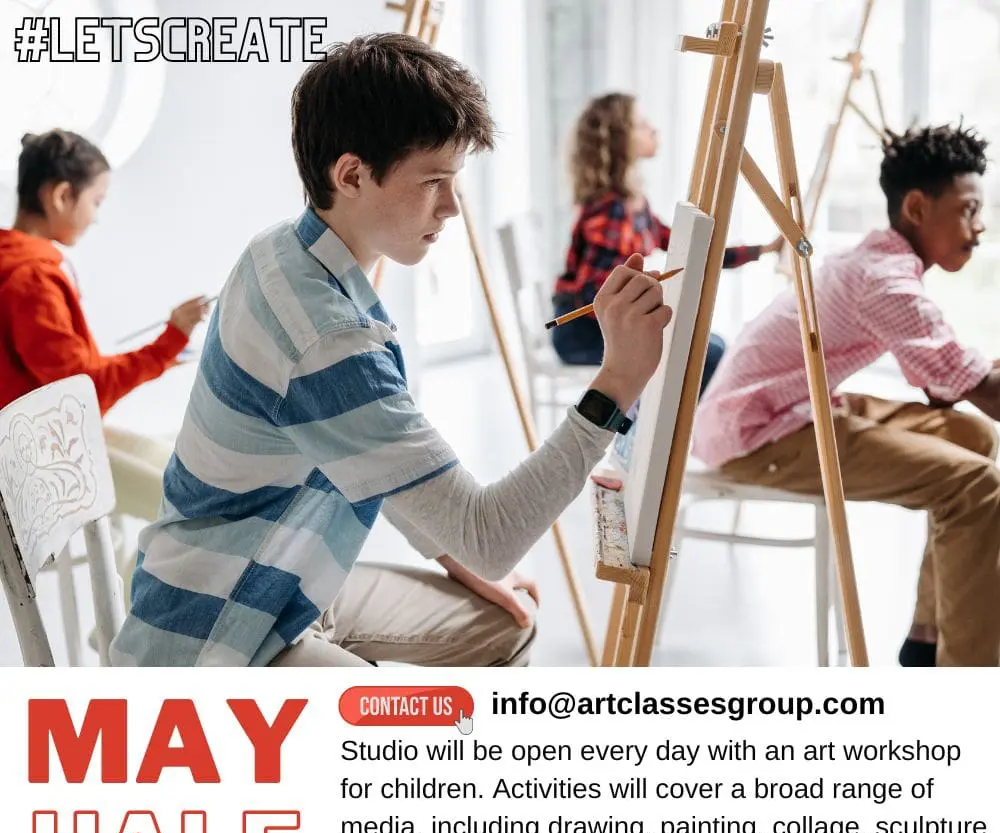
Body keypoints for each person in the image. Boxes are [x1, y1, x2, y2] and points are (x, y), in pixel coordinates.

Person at [109, 34, 673, 668]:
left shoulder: (281, 251)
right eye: (434, 181)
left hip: (279, 574)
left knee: (501, 624)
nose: (452, 207)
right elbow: (490, 537)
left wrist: (452, 556)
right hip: (219, 632)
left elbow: (371, 461)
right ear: (351, 174)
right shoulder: (326, 336)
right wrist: (619, 379)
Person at [692, 122, 1000, 668]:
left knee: (972, 435)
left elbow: (945, 381)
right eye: (969, 210)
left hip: (793, 407)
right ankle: (969, 675)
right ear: (917, 208)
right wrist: (970, 376)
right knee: (978, 486)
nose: (978, 228)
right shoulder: (887, 283)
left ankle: (927, 639)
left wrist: (967, 376)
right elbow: (972, 385)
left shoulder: (877, 260)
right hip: (761, 434)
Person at [0, 129, 210, 606]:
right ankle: (132, 628)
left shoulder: (15, 261)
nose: (96, 218)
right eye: (96, 201)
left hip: (42, 444)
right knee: (195, 507)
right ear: (60, 195)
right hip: (41, 461)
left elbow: (69, 377)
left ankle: (122, 617)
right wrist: (170, 340)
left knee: (175, 467)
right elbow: (84, 391)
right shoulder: (31, 276)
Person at [552, 92, 782, 394]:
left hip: (605, 324)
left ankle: (694, 436)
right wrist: (652, 305)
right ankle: (685, 438)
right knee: (708, 357)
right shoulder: (611, 211)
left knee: (713, 347)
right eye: (642, 124)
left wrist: (760, 251)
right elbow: (594, 298)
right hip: (583, 333)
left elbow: (689, 247)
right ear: (620, 140)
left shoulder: (635, 204)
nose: (654, 130)